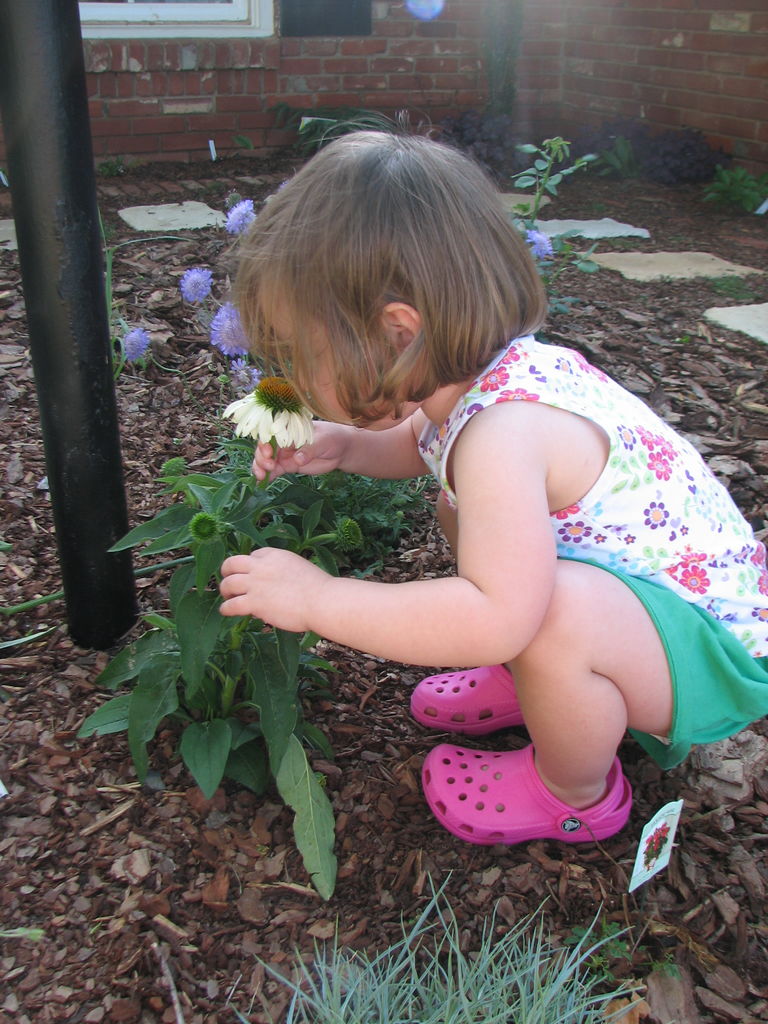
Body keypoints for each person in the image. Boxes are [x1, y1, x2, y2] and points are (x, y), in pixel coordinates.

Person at [219, 131, 768, 847]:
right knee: (475, 523)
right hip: (659, 614)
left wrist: (319, 600)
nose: (292, 372)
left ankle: (575, 790)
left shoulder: (506, 434)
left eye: (301, 352)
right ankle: (546, 686)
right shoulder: (485, 379)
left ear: (396, 334)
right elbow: (424, 446)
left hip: (715, 654)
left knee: (549, 611)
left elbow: (495, 616)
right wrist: (347, 443)